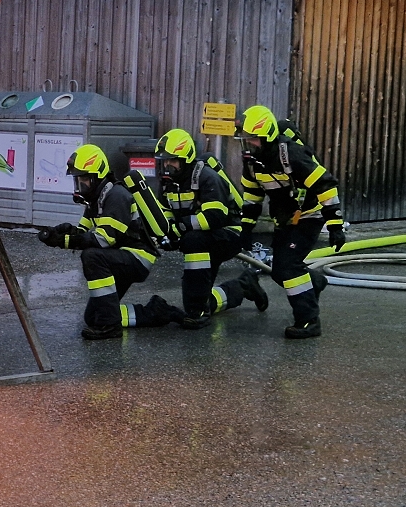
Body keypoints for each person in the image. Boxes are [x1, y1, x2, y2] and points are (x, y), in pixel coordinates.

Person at [37, 144, 182, 340]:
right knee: (93, 317)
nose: (80, 185)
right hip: (119, 256)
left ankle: (111, 326)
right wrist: (61, 233)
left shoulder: (116, 196)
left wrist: (63, 241)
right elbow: (82, 232)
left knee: (92, 256)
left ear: (97, 176)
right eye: (78, 180)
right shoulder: (96, 198)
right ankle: (157, 312)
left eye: (84, 179)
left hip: (137, 257)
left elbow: (103, 239)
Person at [236, 105, 346, 339]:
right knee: (279, 272)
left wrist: (335, 225)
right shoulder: (253, 162)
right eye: (245, 140)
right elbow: (252, 196)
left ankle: (309, 321)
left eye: (252, 139)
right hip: (285, 218)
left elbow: (325, 185)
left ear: (267, 137)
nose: (248, 144)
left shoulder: (291, 154)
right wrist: (246, 227)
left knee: (289, 267)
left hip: (310, 215)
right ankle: (314, 282)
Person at [152, 128, 269, 329]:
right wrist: (168, 233)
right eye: (164, 161)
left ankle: (198, 310)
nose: (167, 166)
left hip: (230, 233)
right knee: (198, 297)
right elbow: (166, 211)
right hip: (202, 236)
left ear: (186, 159)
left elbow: (215, 217)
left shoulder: (206, 177)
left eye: (173, 160)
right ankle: (243, 286)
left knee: (193, 243)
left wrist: (181, 227)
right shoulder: (168, 183)